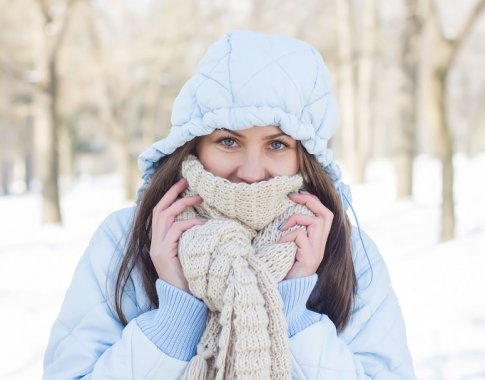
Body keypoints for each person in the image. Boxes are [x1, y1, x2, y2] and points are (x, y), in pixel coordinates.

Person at [43, 30, 416, 379]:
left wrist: (291, 313)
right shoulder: (126, 238)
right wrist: (174, 318)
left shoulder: (346, 250)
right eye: (228, 142)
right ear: (194, 145)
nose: (252, 172)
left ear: (305, 157)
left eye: (277, 145)